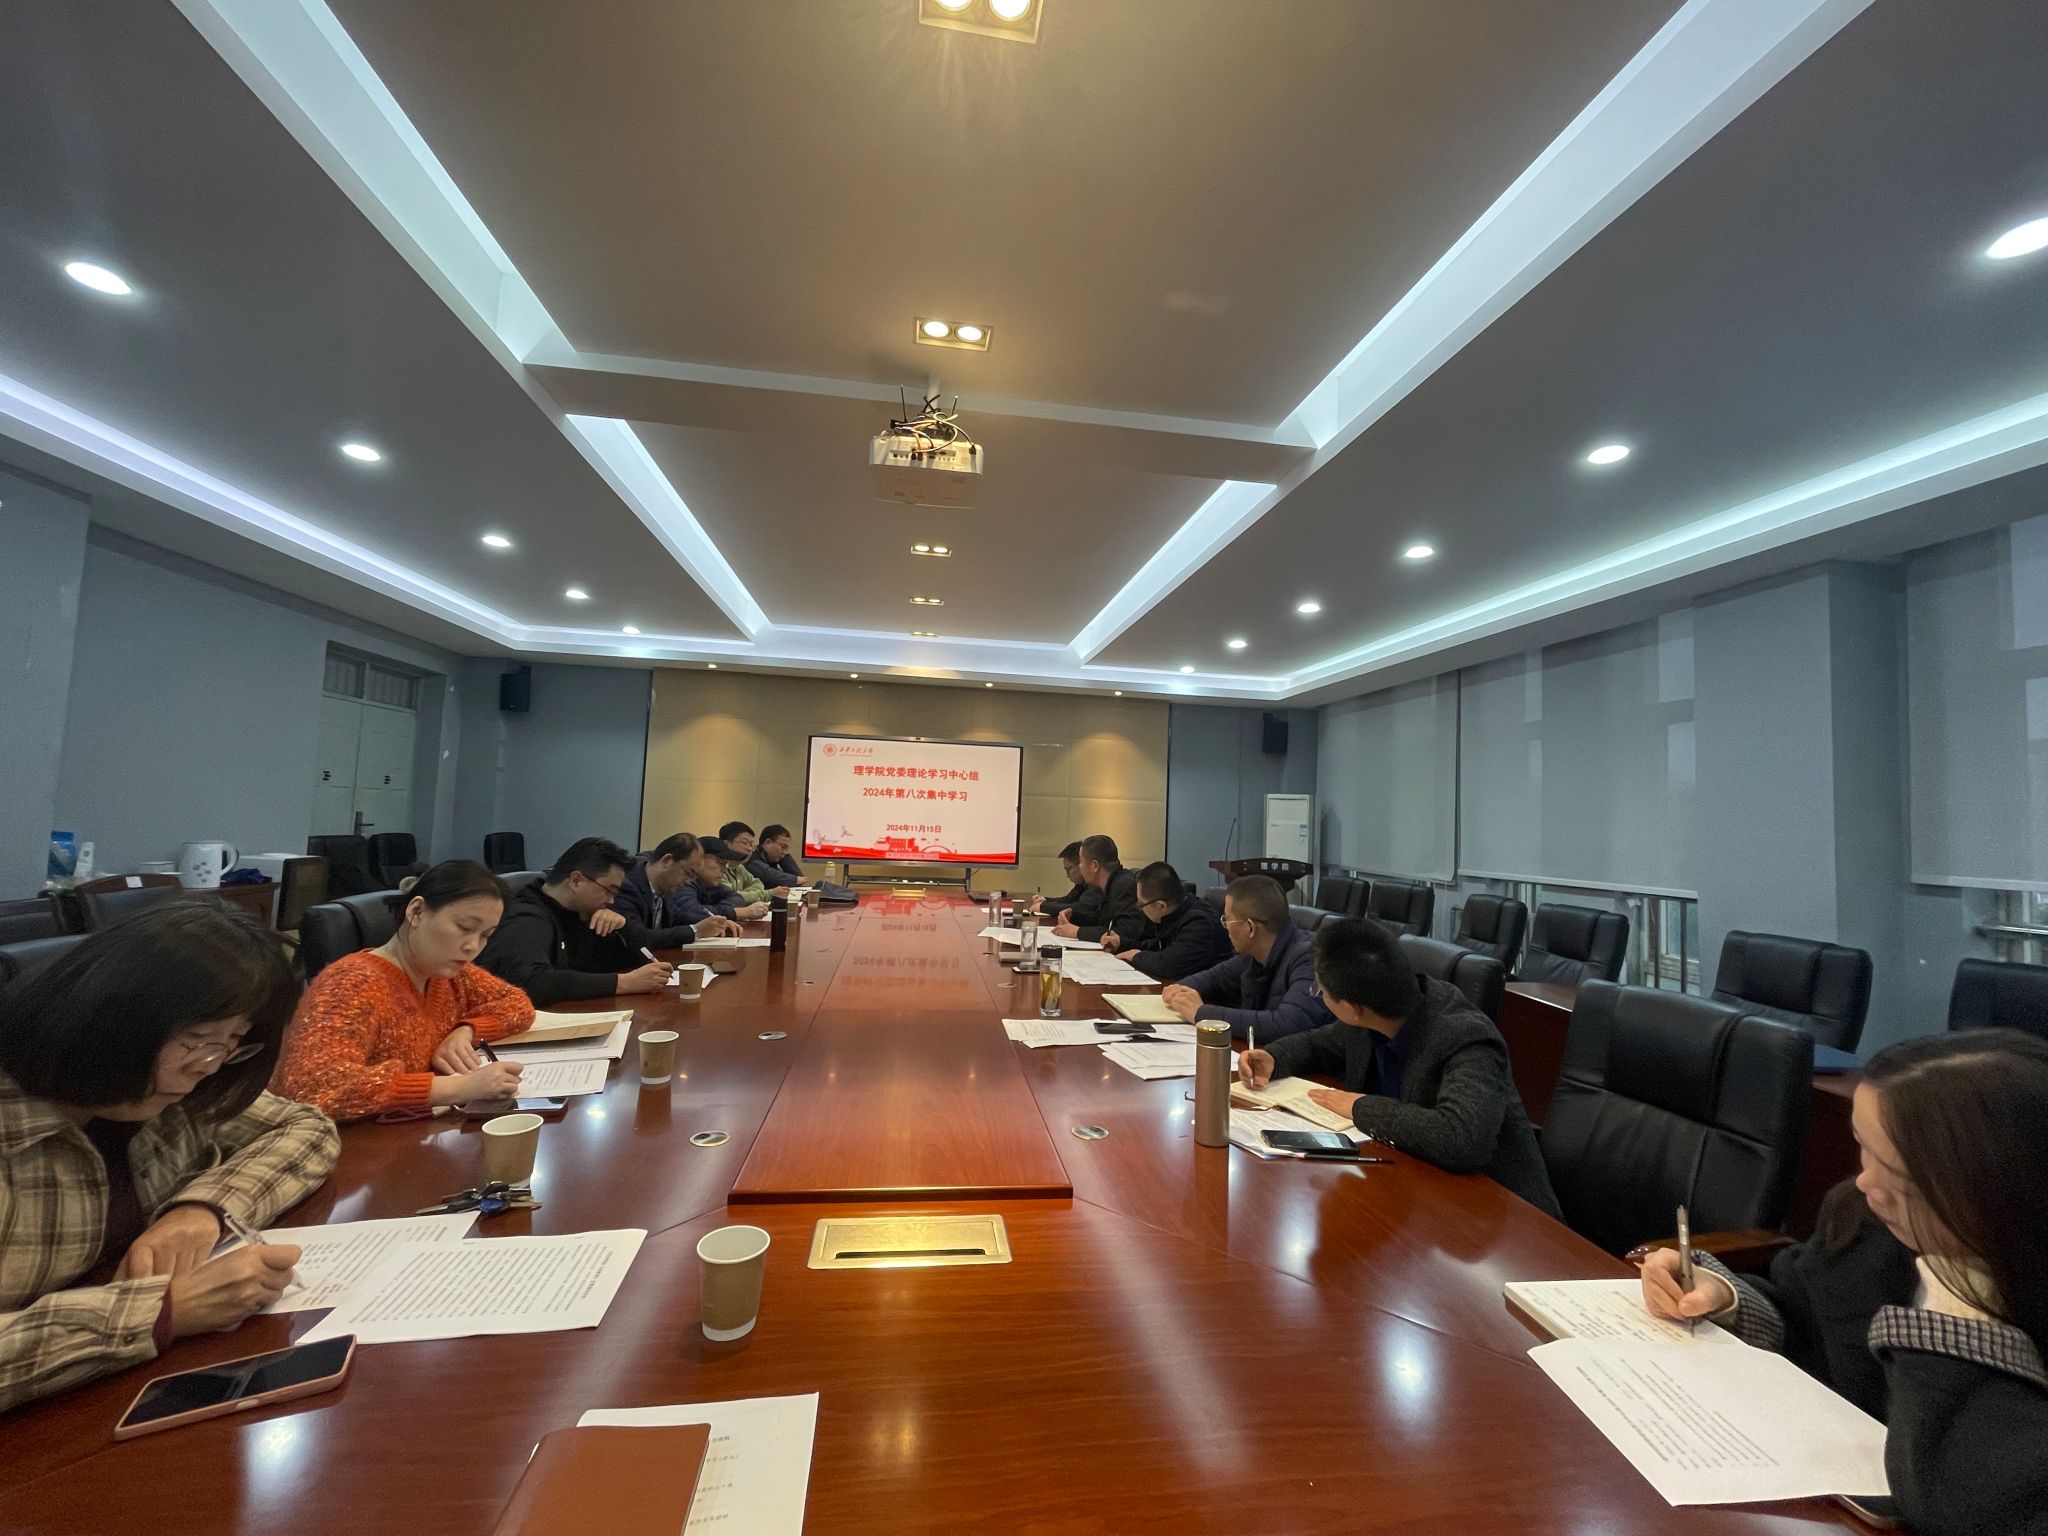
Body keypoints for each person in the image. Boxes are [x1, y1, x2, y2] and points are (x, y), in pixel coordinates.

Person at [1638, 1030, 2047, 1536]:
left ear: (1997, 1190)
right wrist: (1724, 1296)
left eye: (1898, 1175)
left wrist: (1958, 1292)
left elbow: (1967, 1496)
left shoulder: (2006, 1280)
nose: (1865, 1182)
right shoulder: (1865, 1221)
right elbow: (1805, 1321)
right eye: (1863, 1148)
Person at [0, 902, 338, 1413]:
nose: (208, 1067)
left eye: (232, 1043)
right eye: (197, 1040)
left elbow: (306, 1128)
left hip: (114, 1390)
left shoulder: (172, 1095)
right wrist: (162, 1312)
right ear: (106, 1018)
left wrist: (202, 1209)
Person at [1238, 918, 1560, 1216]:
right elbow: (1319, 1044)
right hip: (1416, 1191)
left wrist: (1360, 1107)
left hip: (1503, 1218)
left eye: (1319, 989)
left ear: (1352, 1008)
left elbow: (1461, 1138)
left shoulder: (1466, 1036)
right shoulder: (1374, 1013)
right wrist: (1274, 1057)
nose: (1319, 995)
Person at [275, 860, 537, 1121]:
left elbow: (517, 1005)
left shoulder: (450, 973)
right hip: (350, 1140)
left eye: (485, 935)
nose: (473, 946)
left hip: (415, 1130)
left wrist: (466, 1031)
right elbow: (313, 1088)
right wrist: (457, 1088)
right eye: (465, 928)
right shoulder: (350, 983)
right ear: (416, 911)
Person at [476, 837, 673, 1003]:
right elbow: (529, 982)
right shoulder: (527, 918)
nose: (611, 900)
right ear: (576, 881)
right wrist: (625, 983)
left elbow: (635, 958)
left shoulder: (581, 913)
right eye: (609, 890)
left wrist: (625, 926)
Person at [1161, 875, 1331, 1043]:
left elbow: (1287, 1023)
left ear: (1250, 928)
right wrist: (1179, 991)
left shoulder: (1310, 959)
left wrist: (1202, 1014)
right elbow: (1212, 979)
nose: (1225, 927)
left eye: (1227, 920)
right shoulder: (1252, 955)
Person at [1108, 862, 1231, 980]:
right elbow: (1160, 947)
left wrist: (1135, 956)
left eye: (1141, 905)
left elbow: (1168, 964)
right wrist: (1122, 943)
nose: (1140, 909)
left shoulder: (1199, 923)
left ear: (1160, 905)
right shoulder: (1176, 911)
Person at [613, 835, 742, 945]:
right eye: (688, 873)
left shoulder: (665, 887)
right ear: (667, 861)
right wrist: (696, 931)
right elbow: (637, 937)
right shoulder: (625, 885)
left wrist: (715, 923)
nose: (689, 881)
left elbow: (679, 916)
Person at [1052, 835, 1141, 945]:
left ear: (1095, 866)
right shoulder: (1107, 884)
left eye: (1080, 862)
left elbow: (1124, 933)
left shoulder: (1124, 885)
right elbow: (1100, 919)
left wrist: (1077, 932)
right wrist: (1073, 916)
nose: (1079, 867)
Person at [684, 838, 770, 924]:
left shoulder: (711, 885)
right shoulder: (683, 883)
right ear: (697, 860)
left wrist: (718, 910)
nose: (724, 870)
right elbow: (690, 912)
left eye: (725, 864)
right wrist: (739, 913)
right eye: (720, 863)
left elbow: (738, 899)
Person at [1032, 843, 1096, 926]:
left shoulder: (1096, 884)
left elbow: (1082, 908)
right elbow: (1069, 899)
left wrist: (1044, 907)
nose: (1067, 875)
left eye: (1068, 869)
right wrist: (1045, 900)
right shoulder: (1083, 883)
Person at [714, 824, 772, 905]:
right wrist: (769, 894)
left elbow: (758, 885)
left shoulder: (740, 867)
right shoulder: (716, 868)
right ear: (726, 844)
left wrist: (742, 894)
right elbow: (730, 897)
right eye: (744, 843)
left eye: (751, 845)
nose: (749, 849)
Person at [747, 824, 804, 889]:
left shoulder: (770, 860)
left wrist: (784, 857)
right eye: (783, 847)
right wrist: (796, 880)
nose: (784, 852)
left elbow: (799, 880)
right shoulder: (752, 859)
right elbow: (770, 875)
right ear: (768, 843)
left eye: (786, 848)